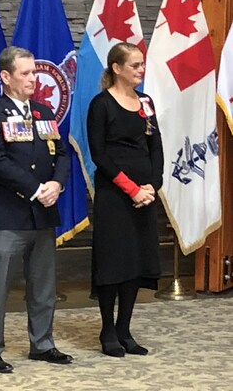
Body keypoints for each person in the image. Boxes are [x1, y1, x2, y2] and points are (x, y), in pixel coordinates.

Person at [0, 46, 73, 373]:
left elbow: (61, 155)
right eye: (26, 73)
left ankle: (43, 344)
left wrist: (56, 184)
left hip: (42, 215)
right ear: (6, 76)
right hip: (6, 214)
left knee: (44, 288)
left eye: (34, 72)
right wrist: (36, 189)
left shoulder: (44, 112)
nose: (34, 78)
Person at [87, 42, 164, 358]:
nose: (141, 70)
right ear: (117, 68)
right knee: (113, 262)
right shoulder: (101, 104)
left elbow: (156, 147)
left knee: (135, 261)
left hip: (144, 196)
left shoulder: (146, 102)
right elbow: (99, 154)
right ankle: (107, 330)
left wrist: (152, 186)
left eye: (142, 64)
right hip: (115, 195)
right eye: (135, 65)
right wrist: (132, 189)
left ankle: (125, 329)